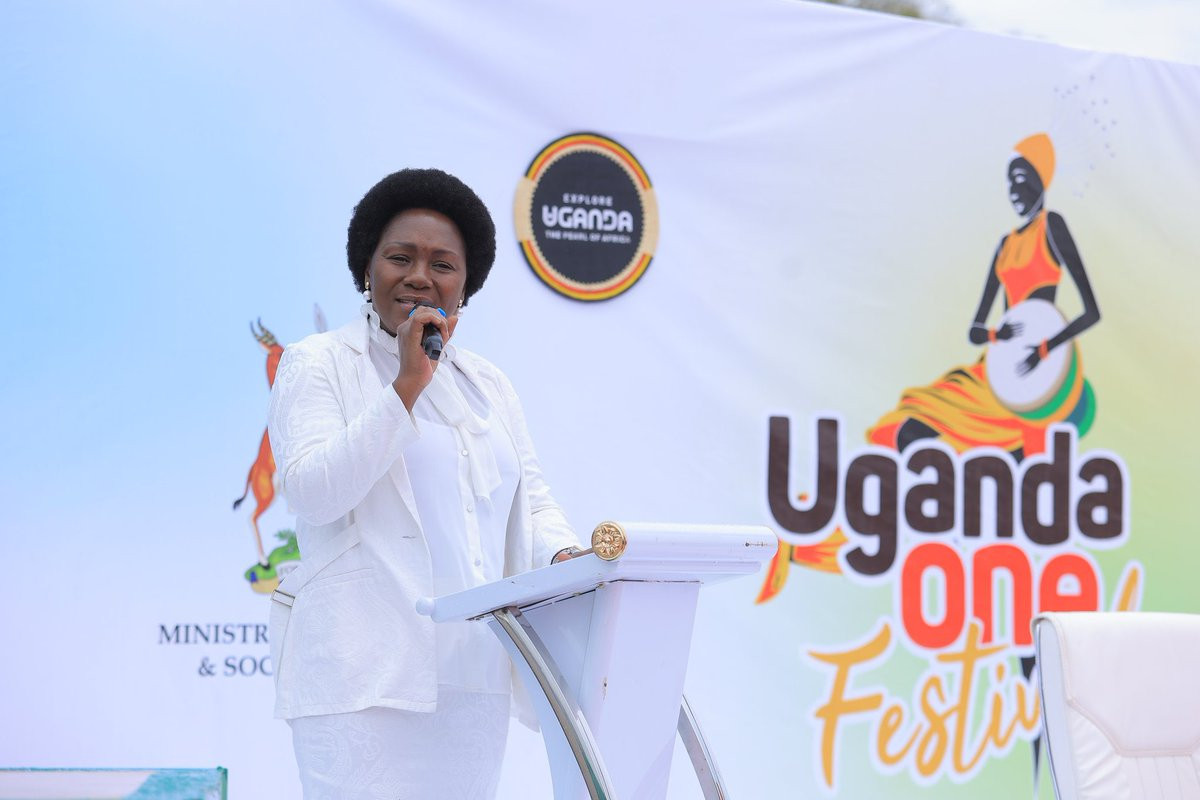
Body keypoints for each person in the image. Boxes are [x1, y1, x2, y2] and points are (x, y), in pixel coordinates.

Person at [266, 168, 582, 799]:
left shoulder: (487, 383)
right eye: (400, 257)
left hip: (475, 676)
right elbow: (313, 493)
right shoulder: (318, 362)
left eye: (442, 264)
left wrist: (569, 555)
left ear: (466, 284)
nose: (419, 276)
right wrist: (406, 386)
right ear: (367, 268)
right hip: (362, 681)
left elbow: (531, 504)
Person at [868, 133, 1101, 459]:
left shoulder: (1052, 226)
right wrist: (995, 335)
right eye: (1009, 183)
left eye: (1021, 179)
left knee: (1019, 459)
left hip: (1040, 373)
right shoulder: (1005, 245)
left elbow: (1092, 312)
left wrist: (1045, 349)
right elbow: (975, 330)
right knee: (912, 427)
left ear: (1041, 180)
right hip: (994, 369)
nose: (1014, 191)